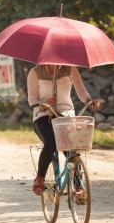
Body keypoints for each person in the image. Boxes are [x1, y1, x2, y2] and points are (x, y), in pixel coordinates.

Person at [27, 64, 100, 195]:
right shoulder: (35, 72)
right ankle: (40, 178)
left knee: (71, 147)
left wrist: (89, 100)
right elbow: (32, 100)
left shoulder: (70, 69)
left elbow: (80, 90)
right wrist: (43, 105)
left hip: (65, 115)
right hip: (43, 116)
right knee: (51, 142)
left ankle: (78, 185)